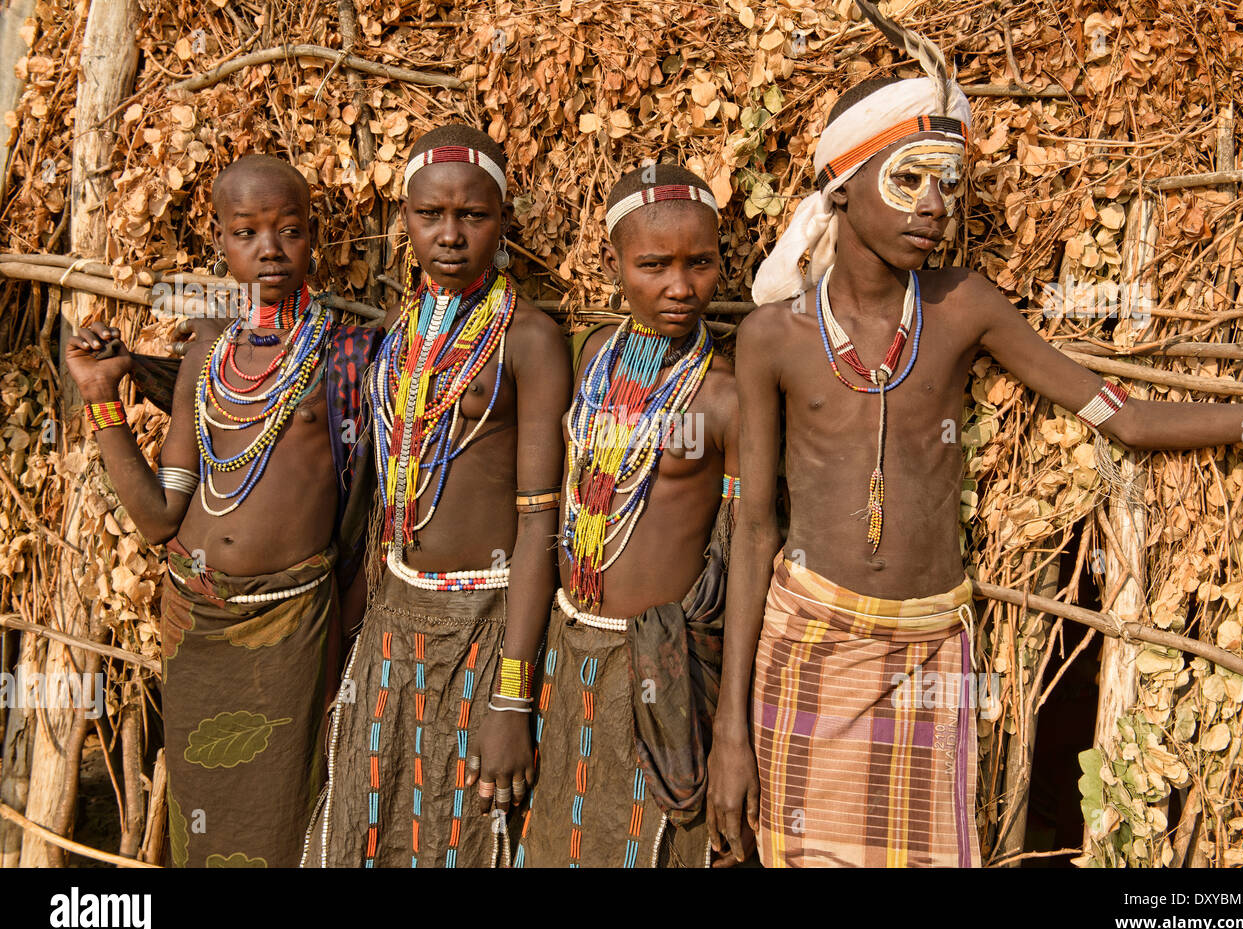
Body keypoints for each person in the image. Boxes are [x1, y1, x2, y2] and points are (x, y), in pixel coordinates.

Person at [711, 10, 1243, 869]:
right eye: (910, 179)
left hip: (927, 651)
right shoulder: (774, 336)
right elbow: (755, 527)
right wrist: (731, 729)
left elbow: (1124, 417)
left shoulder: (963, 309)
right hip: (810, 643)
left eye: (949, 184)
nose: (934, 208)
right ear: (840, 185)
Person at [65, 155, 382, 867]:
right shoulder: (209, 347)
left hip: (288, 625)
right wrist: (101, 398)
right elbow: (157, 517)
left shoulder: (349, 354)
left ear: (314, 240)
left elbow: (371, 509)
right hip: (195, 620)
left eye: (289, 230)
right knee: (200, 822)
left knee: (281, 821)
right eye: (247, 232)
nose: (269, 248)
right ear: (222, 240)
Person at [304, 124, 571, 868]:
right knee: (371, 821)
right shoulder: (399, 336)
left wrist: (513, 695)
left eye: (472, 216)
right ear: (406, 223)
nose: (450, 235)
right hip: (393, 620)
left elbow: (540, 522)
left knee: (464, 831)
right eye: (431, 215)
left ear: (502, 221)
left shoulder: (530, 340)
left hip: (486, 624)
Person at [514, 164, 741, 868]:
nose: (680, 286)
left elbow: (740, 551)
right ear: (614, 265)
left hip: (659, 670)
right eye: (654, 265)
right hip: (568, 647)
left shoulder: (725, 398)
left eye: (699, 263)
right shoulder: (589, 361)